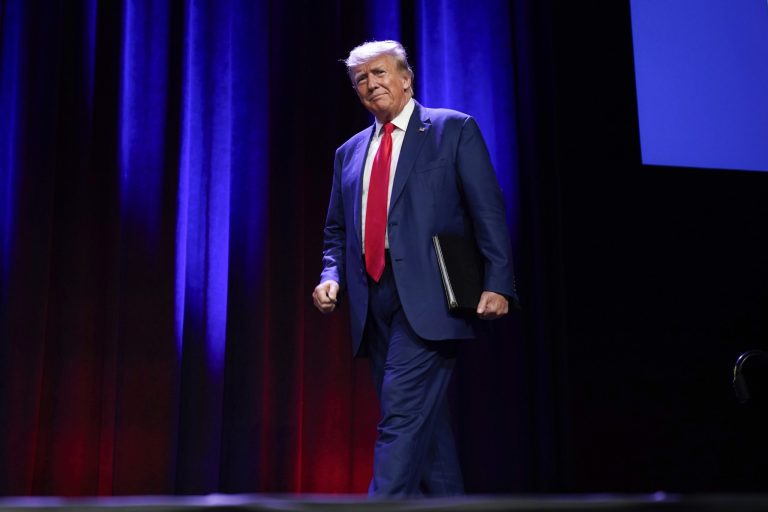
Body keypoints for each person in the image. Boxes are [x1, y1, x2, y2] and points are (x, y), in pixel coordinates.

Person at [312, 40, 517, 498]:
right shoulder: (349, 152)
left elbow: (488, 210)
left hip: (431, 295)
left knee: (400, 416)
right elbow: (336, 231)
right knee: (429, 430)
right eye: (361, 79)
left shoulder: (451, 129)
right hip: (373, 300)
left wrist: (499, 283)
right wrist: (331, 276)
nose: (371, 84)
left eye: (380, 73)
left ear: (406, 78)